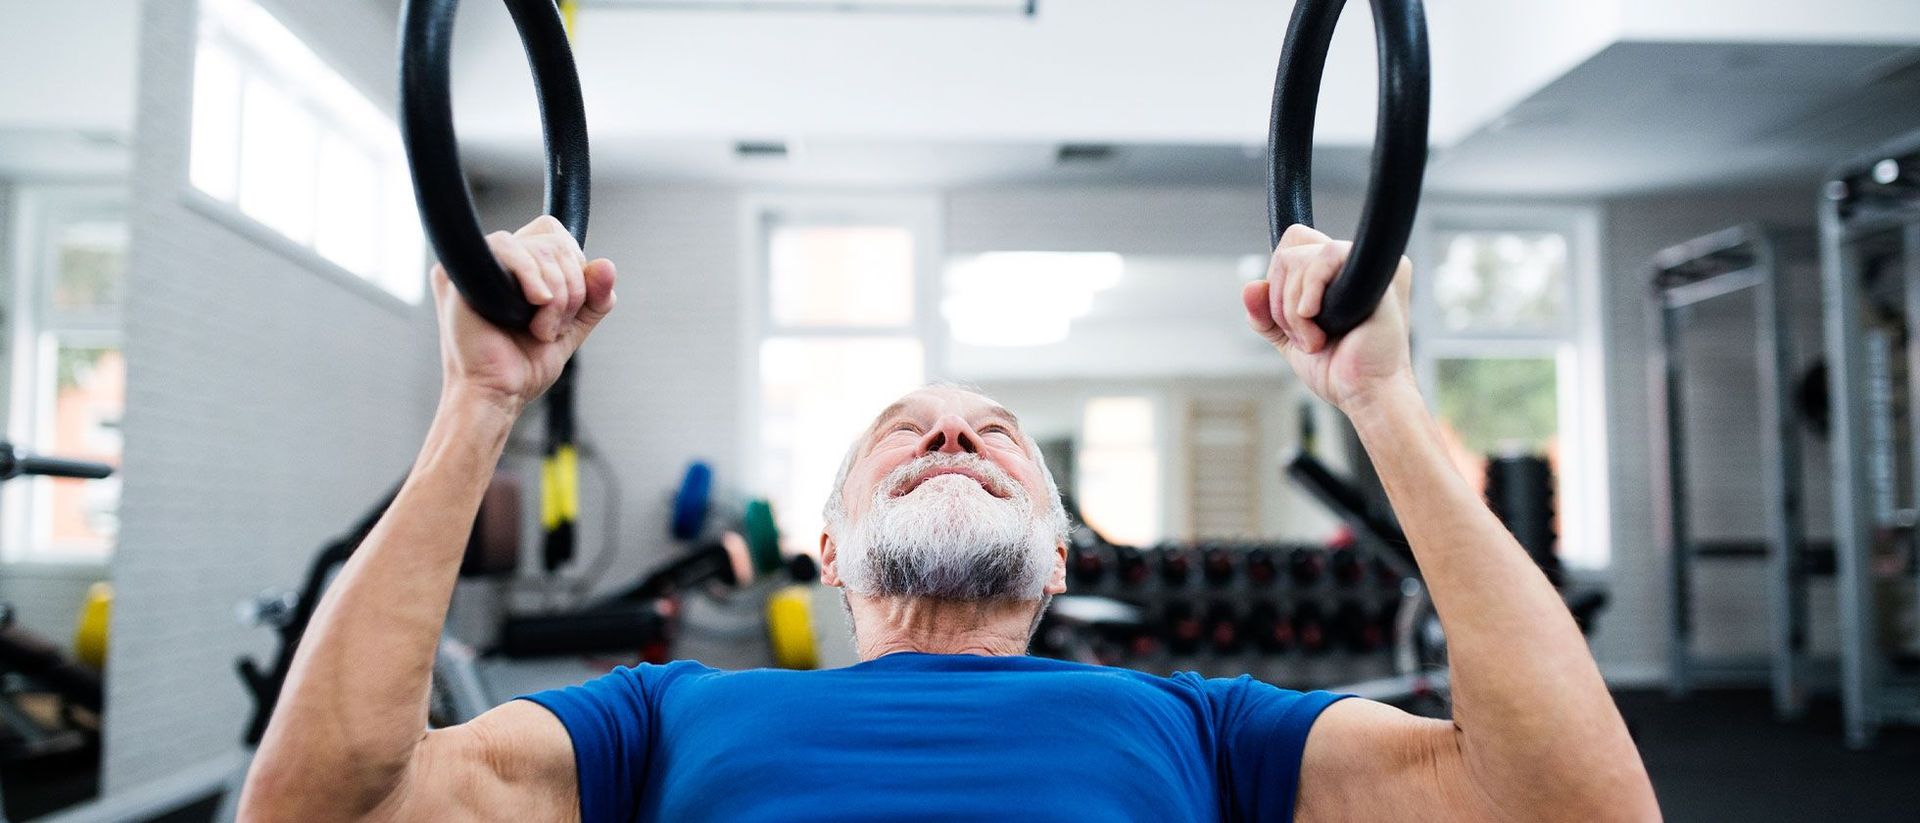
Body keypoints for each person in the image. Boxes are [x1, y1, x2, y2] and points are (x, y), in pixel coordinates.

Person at [238, 216, 1659, 821]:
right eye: (900, 435)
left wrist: (1385, 399)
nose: (952, 430)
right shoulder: (653, 719)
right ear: (830, 550)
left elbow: (1570, 809)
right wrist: (478, 401)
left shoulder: (1211, 731)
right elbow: (320, 813)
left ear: (1056, 551)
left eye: (997, 437)